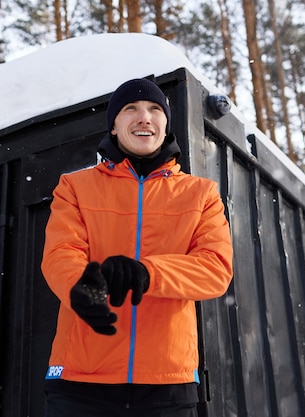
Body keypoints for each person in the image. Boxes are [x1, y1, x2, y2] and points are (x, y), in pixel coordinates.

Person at [41, 78, 233, 417]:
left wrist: (147, 272)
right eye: (130, 109)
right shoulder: (74, 187)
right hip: (80, 382)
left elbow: (215, 269)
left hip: (167, 384)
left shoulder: (201, 193)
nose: (144, 117)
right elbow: (61, 254)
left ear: (165, 124)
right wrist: (81, 287)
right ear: (114, 126)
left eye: (154, 110)